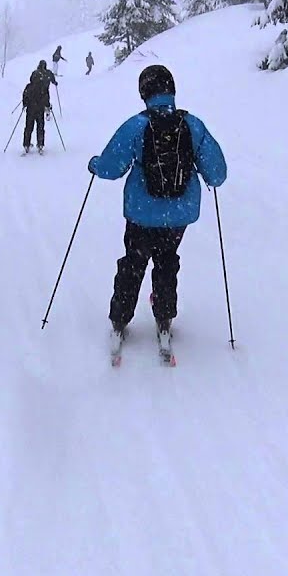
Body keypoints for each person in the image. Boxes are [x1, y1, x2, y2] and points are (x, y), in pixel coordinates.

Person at [88, 65, 227, 357]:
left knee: (134, 262)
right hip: (179, 215)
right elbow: (217, 173)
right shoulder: (192, 125)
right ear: (171, 91)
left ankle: (120, 318)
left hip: (141, 213)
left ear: (144, 93)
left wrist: (95, 164)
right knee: (166, 261)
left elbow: (112, 167)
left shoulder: (137, 125)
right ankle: (164, 316)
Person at [22, 60, 56, 154]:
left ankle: (26, 144)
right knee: (40, 126)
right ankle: (40, 144)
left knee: (29, 126)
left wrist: (25, 104)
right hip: (40, 108)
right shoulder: (44, 87)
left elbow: (25, 95)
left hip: (30, 108)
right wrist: (48, 106)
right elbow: (46, 98)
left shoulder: (29, 86)